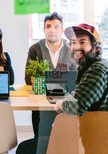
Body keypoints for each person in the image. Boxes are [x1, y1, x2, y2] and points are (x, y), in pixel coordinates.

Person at [17, 12, 76, 154]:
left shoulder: (72, 50)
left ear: (62, 30)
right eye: (48, 26)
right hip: (41, 102)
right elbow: (28, 77)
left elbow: (76, 77)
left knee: (65, 139)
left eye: (56, 27)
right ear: (44, 30)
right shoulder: (35, 49)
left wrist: (47, 80)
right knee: (40, 139)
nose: (52, 30)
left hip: (65, 100)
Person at [54, 23, 108, 134]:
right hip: (91, 131)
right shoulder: (90, 66)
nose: (76, 47)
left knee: (27, 148)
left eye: (82, 42)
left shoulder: (98, 69)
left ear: (95, 47)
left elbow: (77, 105)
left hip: (96, 138)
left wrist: (59, 104)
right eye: (73, 42)